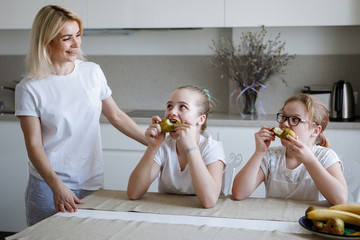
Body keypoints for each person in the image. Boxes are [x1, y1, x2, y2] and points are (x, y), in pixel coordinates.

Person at [15, 5, 147, 226]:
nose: (76, 43)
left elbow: (115, 115)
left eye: (78, 35)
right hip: (48, 186)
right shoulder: (29, 88)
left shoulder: (92, 72)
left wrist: (152, 144)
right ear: (46, 41)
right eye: (67, 38)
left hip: (91, 181)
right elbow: (34, 146)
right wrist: (56, 186)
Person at [232, 93, 348, 205]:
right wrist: (259, 152)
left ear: (315, 131)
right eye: (283, 117)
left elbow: (340, 199)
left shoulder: (325, 157)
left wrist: (310, 161)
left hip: (311, 222)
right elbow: (239, 193)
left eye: (295, 119)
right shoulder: (271, 156)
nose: (285, 124)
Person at [127, 86, 226, 208]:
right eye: (169, 106)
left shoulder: (212, 148)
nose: (172, 112)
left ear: (200, 119)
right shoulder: (163, 146)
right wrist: (152, 147)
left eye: (182, 107)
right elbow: (133, 193)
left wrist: (191, 148)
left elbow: (209, 201)